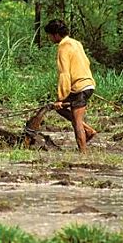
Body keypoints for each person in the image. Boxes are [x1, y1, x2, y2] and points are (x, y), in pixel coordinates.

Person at [44, 19, 97, 153]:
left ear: (56, 34)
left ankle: (83, 153)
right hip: (87, 84)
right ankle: (88, 130)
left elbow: (64, 75)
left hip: (80, 87)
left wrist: (60, 98)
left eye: (49, 35)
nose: (49, 38)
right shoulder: (76, 43)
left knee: (77, 121)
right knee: (60, 108)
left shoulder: (63, 47)